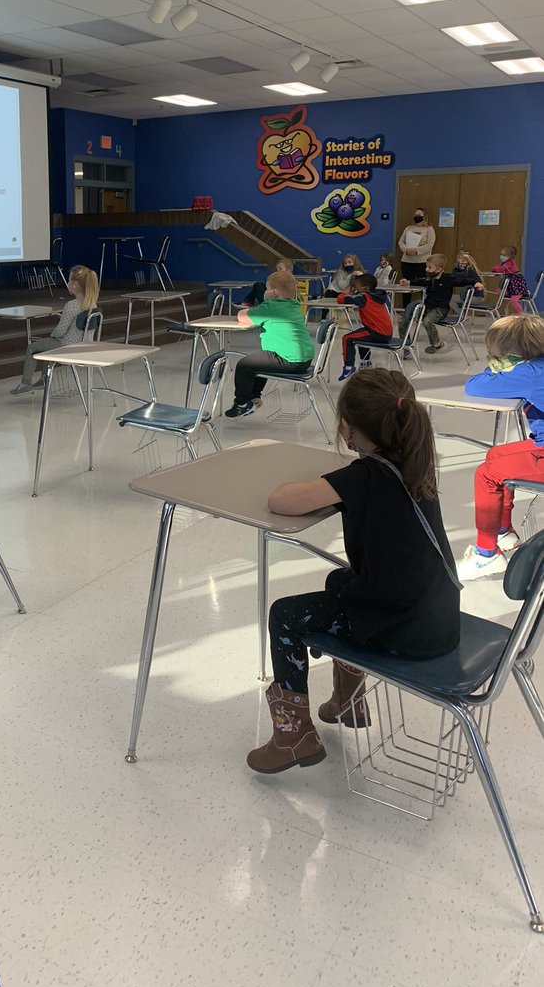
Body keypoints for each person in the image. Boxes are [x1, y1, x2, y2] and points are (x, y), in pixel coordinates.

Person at [246, 369, 461, 775]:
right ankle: (347, 701)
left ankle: (294, 736)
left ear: (348, 428)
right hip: (437, 617)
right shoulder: (413, 465)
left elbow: (282, 501)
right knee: (339, 581)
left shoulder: (364, 476)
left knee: (285, 615)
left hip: (405, 632)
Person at [456, 316, 544, 581]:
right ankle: (504, 531)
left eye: (493, 354)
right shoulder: (537, 366)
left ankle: (486, 555)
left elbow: (474, 387)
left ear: (509, 354)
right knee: (496, 455)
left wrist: (495, 370)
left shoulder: (527, 374)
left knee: (486, 473)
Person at [225, 270, 314, 419]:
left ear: (274, 293)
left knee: (243, 365)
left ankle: (241, 404)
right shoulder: (293, 304)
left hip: (289, 360)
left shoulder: (271, 307)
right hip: (304, 359)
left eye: (266, 289)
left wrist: (254, 306)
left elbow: (242, 317)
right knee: (261, 358)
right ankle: (254, 396)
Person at [11, 265, 100, 394]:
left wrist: (52, 335)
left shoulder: (71, 305)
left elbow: (61, 331)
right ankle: (43, 379)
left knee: (32, 347)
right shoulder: (92, 304)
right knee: (47, 345)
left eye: (69, 281)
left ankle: (26, 383)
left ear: (74, 285)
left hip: (68, 347)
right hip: (86, 345)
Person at [401, 252, 484, 354]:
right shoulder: (429, 279)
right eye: (426, 267)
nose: (427, 270)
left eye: (429, 267)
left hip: (440, 310)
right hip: (427, 307)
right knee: (403, 319)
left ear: (439, 269)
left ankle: (437, 344)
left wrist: (476, 282)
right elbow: (420, 281)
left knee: (427, 321)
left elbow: (462, 280)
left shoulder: (448, 278)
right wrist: (408, 282)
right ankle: (406, 345)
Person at [337, 272, 393, 380]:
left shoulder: (364, 298)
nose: (354, 288)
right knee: (360, 336)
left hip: (377, 332)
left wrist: (347, 291)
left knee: (347, 338)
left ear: (365, 288)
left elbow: (341, 299)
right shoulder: (376, 295)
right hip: (385, 332)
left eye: (356, 287)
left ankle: (349, 367)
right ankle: (366, 363)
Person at [398, 207, 435, 285]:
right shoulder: (408, 228)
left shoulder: (429, 229)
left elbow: (429, 245)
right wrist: (406, 250)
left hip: (422, 261)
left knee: (421, 283)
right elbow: (401, 242)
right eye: (415, 215)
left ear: (424, 217)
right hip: (407, 261)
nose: (416, 216)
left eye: (419, 215)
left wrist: (416, 250)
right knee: (406, 283)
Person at [492, 245, 529, 314]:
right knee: (500, 290)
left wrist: (495, 268)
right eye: (501, 254)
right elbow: (498, 267)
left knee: (514, 300)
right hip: (511, 282)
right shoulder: (504, 263)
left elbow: (499, 269)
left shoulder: (509, 263)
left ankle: (521, 314)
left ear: (510, 256)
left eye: (504, 255)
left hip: (516, 284)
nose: (502, 256)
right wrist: (495, 268)